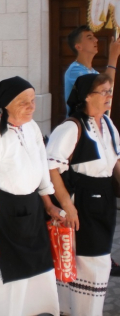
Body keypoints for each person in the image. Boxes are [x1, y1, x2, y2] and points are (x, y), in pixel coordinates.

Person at [0, 76, 60, 316]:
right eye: (23, 102)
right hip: (1, 214)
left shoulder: (33, 127)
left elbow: (41, 167)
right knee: (5, 280)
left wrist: (49, 205)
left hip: (31, 211)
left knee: (37, 271)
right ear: (5, 104)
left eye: (32, 100)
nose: (31, 107)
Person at [47, 73, 120, 316]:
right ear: (87, 96)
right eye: (104, 92)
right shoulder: (71, 127)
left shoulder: (108, 125)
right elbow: (50, 167)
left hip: (105, 198)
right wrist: (68, 205)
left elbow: (115, 162)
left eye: (110, 91)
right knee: (86, 261)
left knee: (100, 259)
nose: (109, 96)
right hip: (83, 201)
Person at [64, 26, 120, 110]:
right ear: (78, 47)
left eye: (94, 37)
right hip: (80, 122)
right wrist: (113, 57)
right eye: (89, 38)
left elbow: (107, 85)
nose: (96, 40)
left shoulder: (94, 72)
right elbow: (104, 86)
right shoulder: (74, 70)